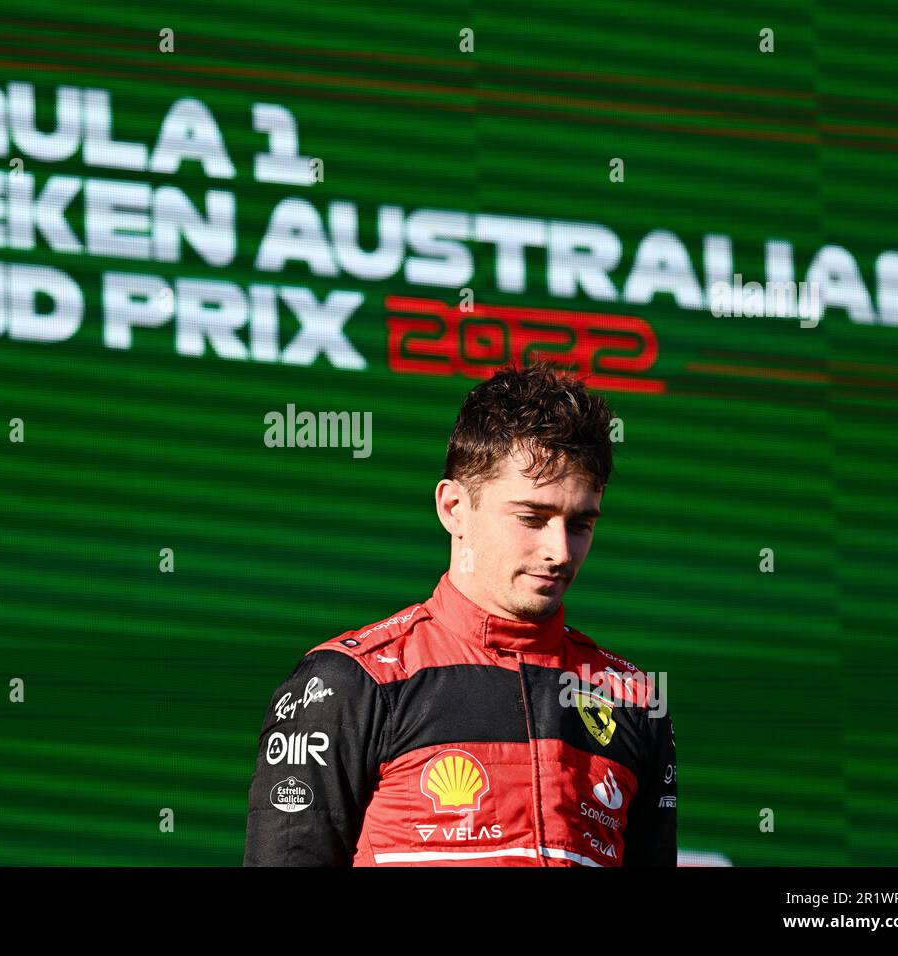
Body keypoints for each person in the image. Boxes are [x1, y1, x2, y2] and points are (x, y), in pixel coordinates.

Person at [242, 359, 677, 866]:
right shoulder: (349, 682)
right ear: (454, 508)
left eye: (580, 523)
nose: (560, 550)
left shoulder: (633, 698)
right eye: (532, 517)